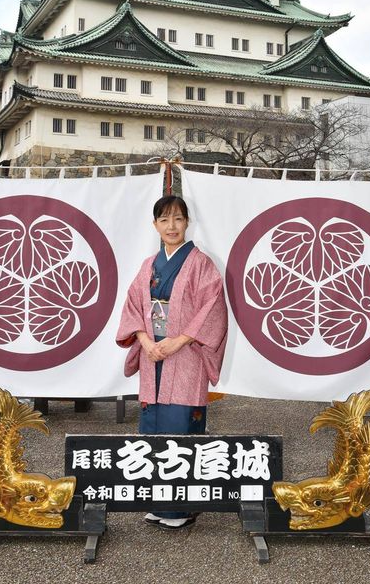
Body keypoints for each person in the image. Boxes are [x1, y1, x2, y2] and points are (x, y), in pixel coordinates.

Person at [116, 195, 228, 530]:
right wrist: (146, 342)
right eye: (164, 220)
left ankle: (183, 508)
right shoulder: (148, 264)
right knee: (151, 425)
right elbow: (133, 307)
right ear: (155, 225)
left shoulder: (200, 263)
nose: (171, 226)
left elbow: (213, 308)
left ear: (187, 223)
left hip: (187, 352)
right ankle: (157, 501)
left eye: (178, 219)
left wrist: (179, 340)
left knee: (182, 424)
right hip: (154, 355)